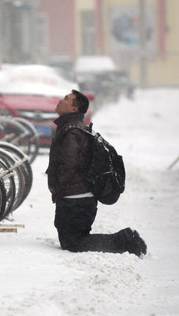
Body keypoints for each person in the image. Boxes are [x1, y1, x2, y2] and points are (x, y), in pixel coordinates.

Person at [46, 89, 147, 257]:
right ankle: (126, 240)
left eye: (66, 99)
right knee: (71, 242)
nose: (60, 101)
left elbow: (67, 166)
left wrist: (58, 187)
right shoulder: (76, 129)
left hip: (75, 201)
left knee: (74, 243)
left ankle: (126, 241)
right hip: (77, 199)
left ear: (74, 109)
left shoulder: (72, 133)